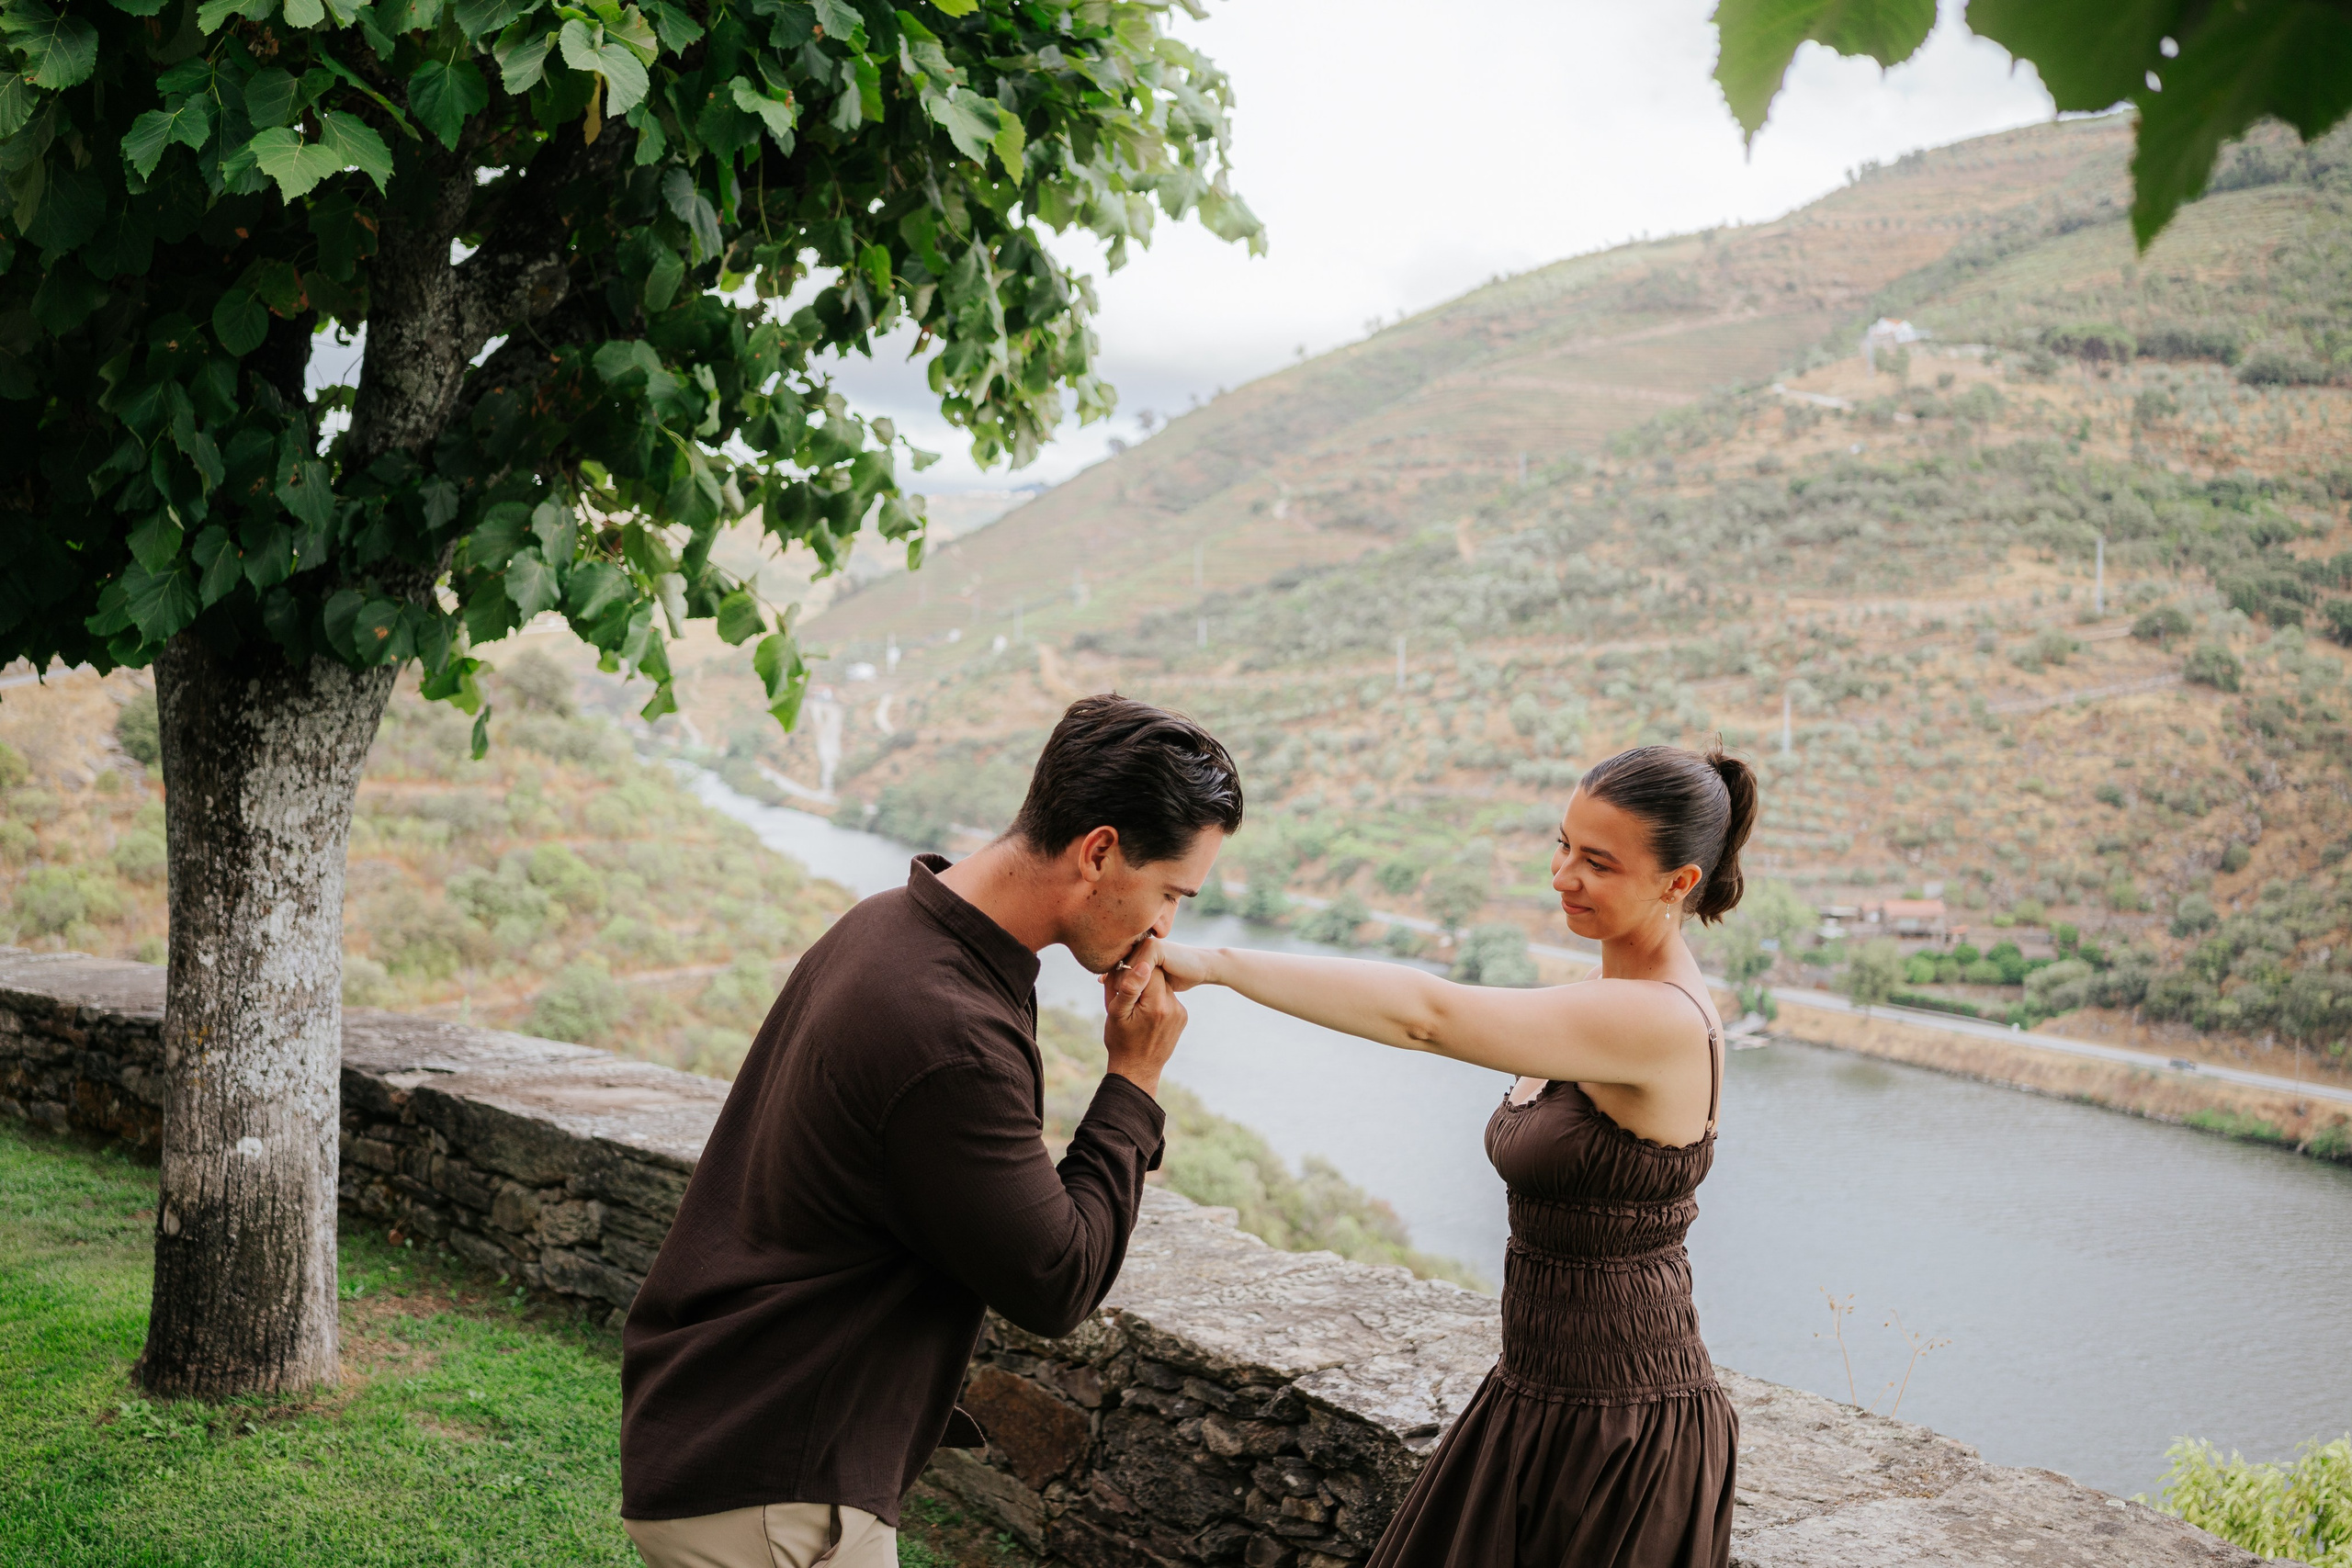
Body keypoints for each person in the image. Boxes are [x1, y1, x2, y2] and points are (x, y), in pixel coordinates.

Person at [619, 694, 1243, 1568]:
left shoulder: (891, 924)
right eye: (1171, 892)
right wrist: (1133, 1080)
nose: (1167, 924)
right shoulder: (949, 1030)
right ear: (1099, 851)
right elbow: (1056, 1281)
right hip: (774, 1483)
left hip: (727, 1424)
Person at [1117, 742, 1758, 1568]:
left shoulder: (1660, 1020)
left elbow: (1428, 1016)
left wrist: (1214, 964)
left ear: (1680, 882)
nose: (1562, 875)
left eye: (1598, 862)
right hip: (1540, 1391)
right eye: (1563, 844)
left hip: (1620, 1424)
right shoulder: (1599, 1004)